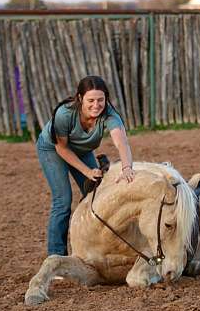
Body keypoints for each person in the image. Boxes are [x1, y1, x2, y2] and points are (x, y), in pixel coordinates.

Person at [36, 75, 135, 256]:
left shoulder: (110, 115)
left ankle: (93, 246)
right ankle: (56, 255)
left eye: (100, 100)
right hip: (53, 149)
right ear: (80, 98)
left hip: (82, 150)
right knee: (63, 200)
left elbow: (122, 143)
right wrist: (87, 171)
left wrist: (127, 168)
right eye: (90, 100)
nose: (96, 105)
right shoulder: (64, 114)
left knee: (95, 194)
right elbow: (62, 148)